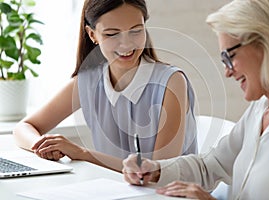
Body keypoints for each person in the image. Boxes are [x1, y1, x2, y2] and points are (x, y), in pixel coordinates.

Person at [122, 0, 269, 199]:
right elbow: (211, 166)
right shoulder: (260, 109)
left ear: (267, 44)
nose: (227, 72)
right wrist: (154, 170)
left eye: (228, 56)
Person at [13, 0, 198, 172]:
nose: (126, 44)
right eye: (112, 34)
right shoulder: (88, 81)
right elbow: (24, 127)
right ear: (92, 34)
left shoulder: (172, 82)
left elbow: (159, 172)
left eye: (136, 30)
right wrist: (42, 147)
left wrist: (83, 154)